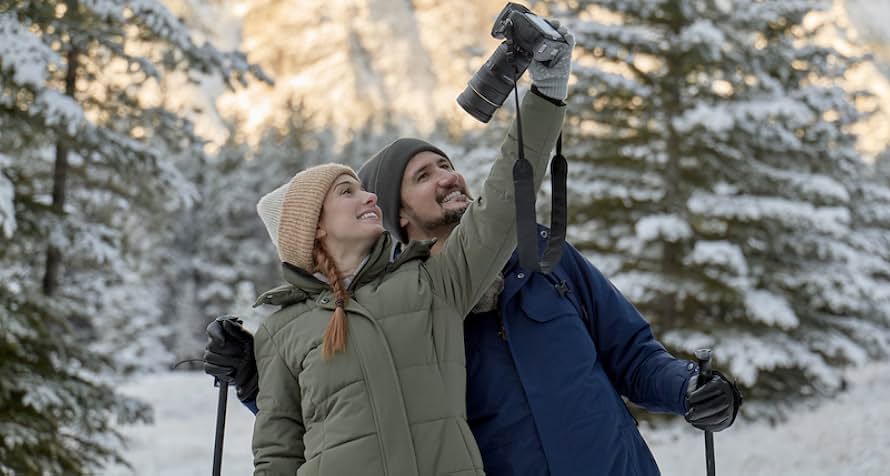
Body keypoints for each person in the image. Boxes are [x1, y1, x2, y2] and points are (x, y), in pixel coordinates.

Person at [206, 45, 742, 476]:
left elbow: (630, 352)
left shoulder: (540, 260)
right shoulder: (411, 300)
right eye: (422, 177)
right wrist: (255, 380)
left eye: (446, 164)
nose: (449, 177)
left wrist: (687, 388)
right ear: (395, 216)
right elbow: (349, 411)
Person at [231, 38, 569, 474]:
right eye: (347, 192)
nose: (370, 195)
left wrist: (546, 93)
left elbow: (503, 204)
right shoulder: (280, 332)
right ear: (314, 225)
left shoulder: (430, 283)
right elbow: (277, 455)